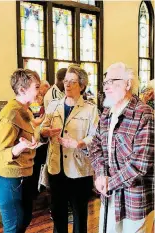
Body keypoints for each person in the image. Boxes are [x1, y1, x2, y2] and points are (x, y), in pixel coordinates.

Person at [88, 62, 154, 233]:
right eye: (105, 82)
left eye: (113, 81)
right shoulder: (107, 113)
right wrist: (101, 174)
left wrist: (110, 182)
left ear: (128, 84)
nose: (107, 86)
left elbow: (140, 166)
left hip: (135, 200)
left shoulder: (143, 114)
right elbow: (96, 146)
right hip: (110, 196)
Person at [40, 64, 99, 233]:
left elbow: (95, 137)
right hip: (55, 169)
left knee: (80, 215)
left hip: (79, 170)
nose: (67, 85)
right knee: (58, 215)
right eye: (65, 81)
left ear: (82, 85)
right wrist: (44, 133)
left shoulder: (91, 109)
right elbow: (42, 131)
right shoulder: (53, 105)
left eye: (72, 82)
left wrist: (79, 143)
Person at [0, 69, 41, 233]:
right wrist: (21, 147)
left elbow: (29, 133)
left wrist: (43, 133)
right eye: (36, 87)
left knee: (23, 220)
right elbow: (0, 154)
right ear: (22, 90)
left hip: (22, 178)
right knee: (14, 227)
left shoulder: (24, 109)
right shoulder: (10, 114)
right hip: (8, 181)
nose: (39, 92)